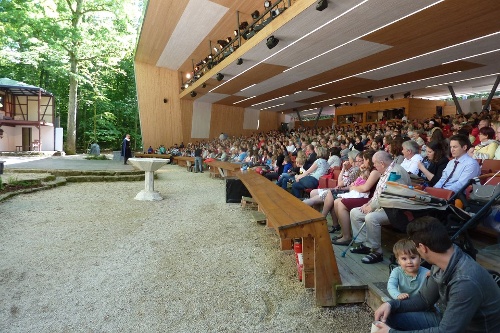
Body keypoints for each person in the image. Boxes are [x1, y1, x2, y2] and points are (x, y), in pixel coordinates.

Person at [373, 216, 500, 332]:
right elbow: (424, 299)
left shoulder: (465, 281)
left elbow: (446, 332)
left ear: (422, 248)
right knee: (389, 317)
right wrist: (391, 304)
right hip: (450, 322)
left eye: (416, 248)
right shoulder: (441, 263)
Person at [348, 151, 412, 264]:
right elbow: (378, 194)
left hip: (395, 209)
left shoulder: (396, 172)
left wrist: (372, 206)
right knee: (355, 212)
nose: (374, 166)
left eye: (375, 164)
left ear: (382, 163)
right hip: (382, 206)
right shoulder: (385, 171)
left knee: (371, 217)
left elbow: (389, 195)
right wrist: (368, 204)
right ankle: (365, 244)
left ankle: (377, 251)